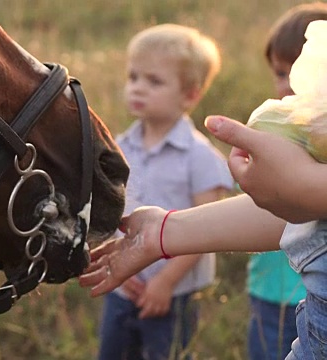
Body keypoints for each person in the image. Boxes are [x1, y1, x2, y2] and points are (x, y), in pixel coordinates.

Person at [79, 86, 327, 360]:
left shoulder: (198, 155)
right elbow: (310, 213)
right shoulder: (125, 141)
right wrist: (162, 232)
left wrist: (301, 182)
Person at [97, 23, 233, 360]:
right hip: (123, 288)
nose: (138, 88)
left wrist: (166, 283)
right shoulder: (118, 146)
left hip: (173, 293)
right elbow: (116, 212)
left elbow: (208, 230)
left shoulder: (199, 157)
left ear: (190, 94)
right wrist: (119, 267)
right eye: (133, 77)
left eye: (154, 81)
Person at [245, 4, 327, 359]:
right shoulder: (279, 133)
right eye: (281, 73)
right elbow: (261, 206)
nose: (291, 86)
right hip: (271, 294)